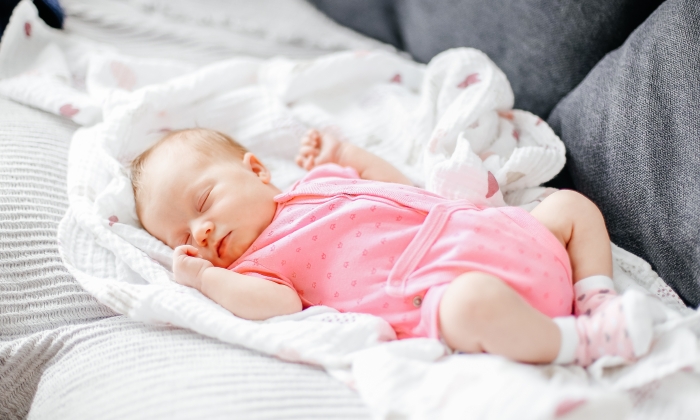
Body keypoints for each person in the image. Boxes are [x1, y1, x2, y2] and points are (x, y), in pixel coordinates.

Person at [130, 127, 652, 366]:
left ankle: (595, 298)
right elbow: (275, 307)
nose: (198, 231)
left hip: (495, 236)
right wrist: (203, 277)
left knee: (571, 208)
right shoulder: (260, 267)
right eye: (182, 237)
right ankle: (580, 344)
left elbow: (396, 184)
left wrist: (349, 152)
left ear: (257, 171)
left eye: (203, 201)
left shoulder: (324, 180)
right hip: (443, 288)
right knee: (474, 303)